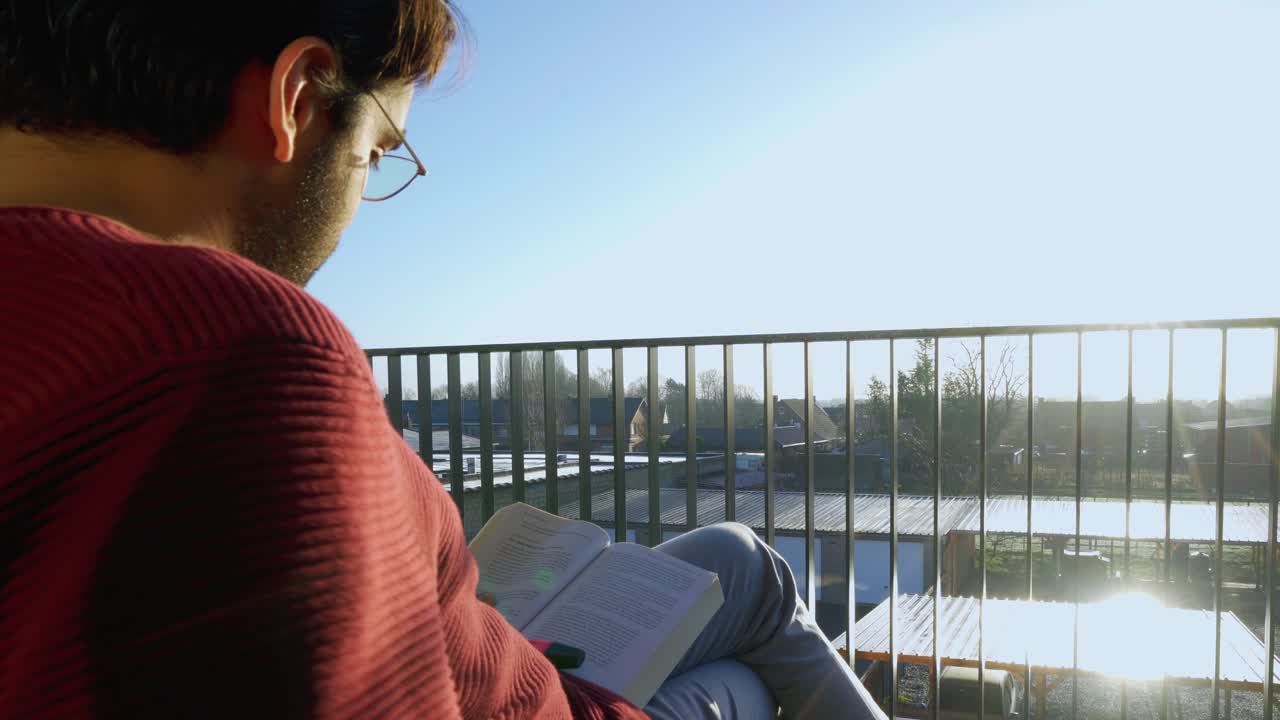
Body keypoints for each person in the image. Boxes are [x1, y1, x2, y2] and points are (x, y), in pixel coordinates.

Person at [0, 3, 886, 719]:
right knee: (748, 673)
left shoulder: (65, 317)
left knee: (738, 557)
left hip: (489, 646)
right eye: (379, 152)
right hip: (546, 698)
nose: (358, 202)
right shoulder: (244, 358)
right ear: (300, 98)